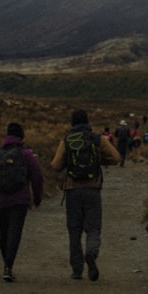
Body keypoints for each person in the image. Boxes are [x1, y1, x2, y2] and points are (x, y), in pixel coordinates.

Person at [50, 109, 120, 281]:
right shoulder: (97, 139)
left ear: (72, 123)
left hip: (72, 191)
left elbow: (56, 165)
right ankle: (91, 253)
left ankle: (77, 270)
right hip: (92, 190)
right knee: (93, 228)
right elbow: (116, 158)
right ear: (87, 121)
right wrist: (99, 161)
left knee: (74, 231)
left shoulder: (67, 140)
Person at [0, 122, 44, 283]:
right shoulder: (26, 154)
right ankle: (8, 266)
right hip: (19, 200)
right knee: (15, 233)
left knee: (4, 232)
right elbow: (37, 177)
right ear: (21, 136)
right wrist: (37, 199)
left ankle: (6, 265)